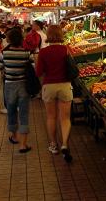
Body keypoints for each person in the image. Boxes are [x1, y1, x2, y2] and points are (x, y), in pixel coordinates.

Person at [36, 25, 73, 162]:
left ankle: (53, 145)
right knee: (65, 118)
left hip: (49, 86)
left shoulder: (43, 52)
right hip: (65, 85)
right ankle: (65, 144)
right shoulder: (66, 49)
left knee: (51, 117)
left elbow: (39, 72)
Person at [0, 28, 32, 153]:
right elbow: (31, 67)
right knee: (24, 114)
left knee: (11, 111)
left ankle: (14, 136)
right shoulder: (26, 52)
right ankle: (23, 145)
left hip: (9, 85)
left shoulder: (4, 53)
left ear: (9, 39)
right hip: (23, 85)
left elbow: (0, 66)